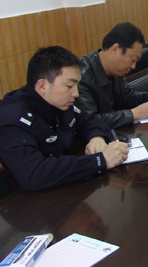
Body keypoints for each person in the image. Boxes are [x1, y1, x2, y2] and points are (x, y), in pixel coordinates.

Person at [0, 46, 129, 191]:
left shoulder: (59, 103)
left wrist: (96, 138)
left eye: (77, 85)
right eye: (69, 86)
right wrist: (99, 161)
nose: (76, 93)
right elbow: (34, 174)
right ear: (42, 86)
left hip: (65, 189)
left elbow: (89, 120)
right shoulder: (12, 120)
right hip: (33, 200)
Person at [76, 23, 148, 129]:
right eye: (132, 60)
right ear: (115, 49)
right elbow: (89, 121)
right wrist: (133, 114)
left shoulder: (115, 70)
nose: (133, 66)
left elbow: (129, 97)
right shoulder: (81, 76)